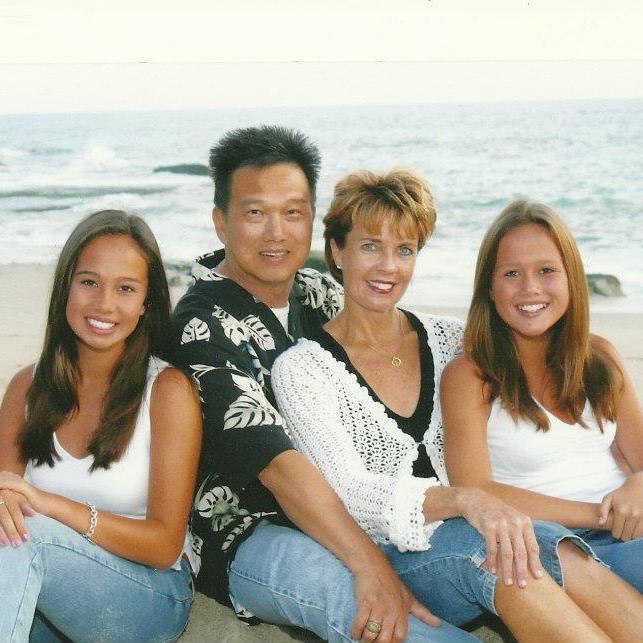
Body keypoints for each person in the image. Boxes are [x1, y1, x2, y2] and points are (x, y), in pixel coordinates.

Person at [272, 169, 643, 642]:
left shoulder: (449, 338)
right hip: (402, 550)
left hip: (490, 528)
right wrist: (464, 499)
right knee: (514, 547)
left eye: (404, 250)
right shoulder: (302, 369)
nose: (388, 266)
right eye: (370, 246)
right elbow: (351, 490)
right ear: (337, 253)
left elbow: (529, 380)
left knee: (522, 543)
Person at [172, 126, 475, 642]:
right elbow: (277, 465)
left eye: (293, 212)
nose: (276, 232)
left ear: (314, 221)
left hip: (355, 513)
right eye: (254, 213)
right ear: (220, 222)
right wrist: (370, 566)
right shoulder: (200, 325)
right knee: (370, 609)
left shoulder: (318, 293)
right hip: (251, 531)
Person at [441, 199, 643, 639]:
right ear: (489, 289)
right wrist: (602, 515)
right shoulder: (470, 376)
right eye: (511, 273)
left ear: (572, 278)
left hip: (630, 531)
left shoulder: (601, 356)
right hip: (554, 547)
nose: (530, 288)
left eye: (547, 270)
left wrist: (638, 485)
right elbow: (477, 489)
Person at [0, 210, 201, 642]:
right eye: (89, 282)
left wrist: (52, 507)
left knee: (23, 534)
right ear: (66, 288)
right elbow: (5, 501)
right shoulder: (24, 388)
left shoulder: (167, 391)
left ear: (146, 303)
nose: (105, 304)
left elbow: (165, 544)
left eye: (126, 289)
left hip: (149, 595)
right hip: (44, 589)